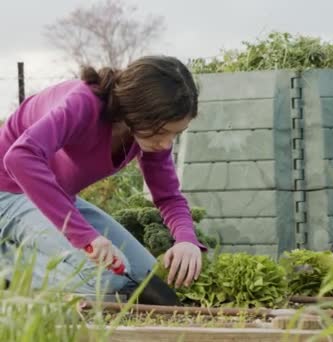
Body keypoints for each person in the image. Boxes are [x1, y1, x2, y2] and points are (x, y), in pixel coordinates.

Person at [0, 55, 205, 295]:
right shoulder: (83, 104)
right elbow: (19, 157)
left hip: (54, 196)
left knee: (143, 276)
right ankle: (6, 267)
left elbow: (168, 196)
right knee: (104, 277)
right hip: (8, 193)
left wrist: (186, 240)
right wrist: (86, 237)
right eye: (164, 132)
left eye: (176, 134)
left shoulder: (147, 135)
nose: (167, 143)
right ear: (139, 112)